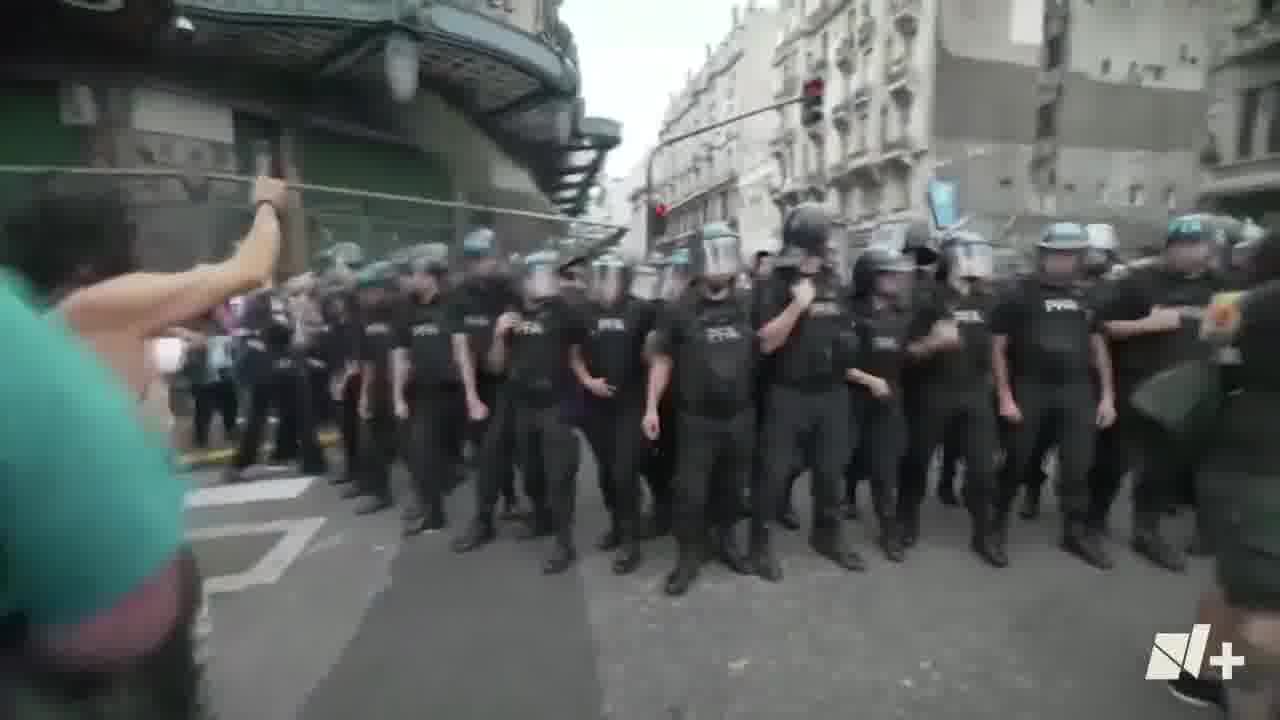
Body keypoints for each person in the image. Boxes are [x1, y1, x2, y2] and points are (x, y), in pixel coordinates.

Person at [0, 175, 285, 719]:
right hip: (121, 572)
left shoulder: (39, 320)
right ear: (88, 259)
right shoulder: (100, 301)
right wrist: (268, 205)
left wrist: (174, 336)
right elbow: (249, 268)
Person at [991, 222, 1116, 568]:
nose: (1064, 261)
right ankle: (994, 526)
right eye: (1058, 254)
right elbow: (998, 348)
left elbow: (1098, 346)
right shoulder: (1017, 293)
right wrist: (1005, 395)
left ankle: (1074, 533)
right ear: (1043, 255)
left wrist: (1107, 396)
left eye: (1071, 255)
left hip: (1076, 390)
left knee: (1078, 465)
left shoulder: (1086, 295)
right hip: (1030, 386)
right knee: (1016, 460)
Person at [753, 203, 864, 580]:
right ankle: (760, 544)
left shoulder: (834, 281)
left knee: (831, 470)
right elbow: (766, 343)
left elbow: (846, 329)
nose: (831, 245)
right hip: (788, 393)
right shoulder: (775, 283)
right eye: (827, 238)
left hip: (832, 392)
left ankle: (827, 535)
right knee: (774, 472)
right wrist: (797, 306)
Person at [643, 224, 754, 596]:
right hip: (697, 420)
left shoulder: (746, 304)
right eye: (713, 256)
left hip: (739, 415)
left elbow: (767, 343)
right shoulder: (679, 309)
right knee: (691, 493)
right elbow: (662, 361)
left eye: (727, 257)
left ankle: (727, 543)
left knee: (733, 489)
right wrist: (651, 408)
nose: (720, 266)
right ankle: (689, 556)